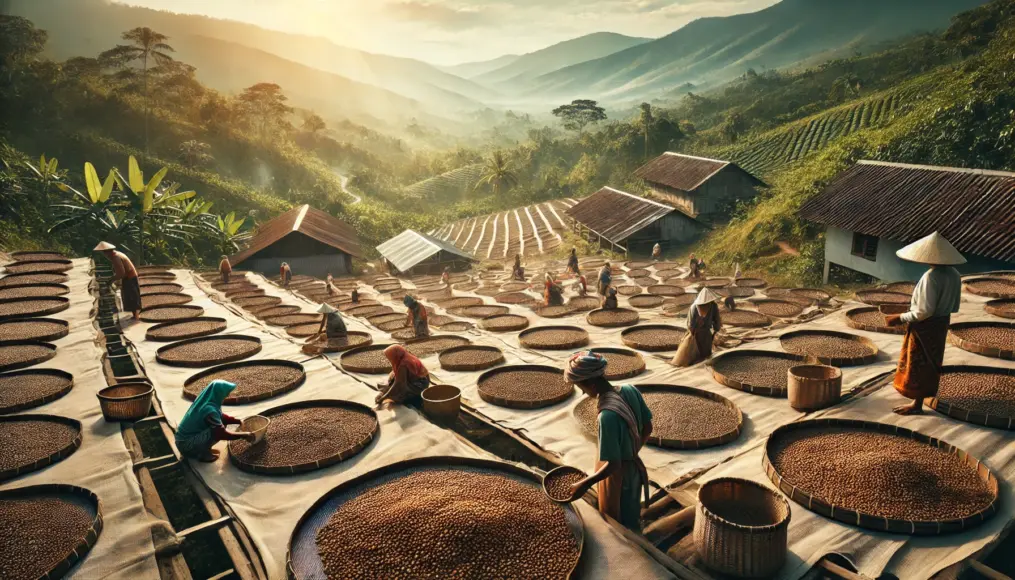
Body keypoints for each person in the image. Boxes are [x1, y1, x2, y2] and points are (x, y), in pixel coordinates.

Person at [563, 351, 652, 532]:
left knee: (617, 520)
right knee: (632, 509)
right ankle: (634, 529)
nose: (581, 391)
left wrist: (584, 483)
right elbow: (648, 428)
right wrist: (632, 451)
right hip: (633, 469)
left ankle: (632, 549)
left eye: (581, 386)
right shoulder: (629, 389)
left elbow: (613, 464)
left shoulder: (607, 416)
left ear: (592, 383)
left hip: (618, 478)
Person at [884, 232, 964, 415]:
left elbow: (924, 312)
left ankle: (917, 404)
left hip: (926, 325)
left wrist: (900, 317)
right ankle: (923, 396)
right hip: (941, 323)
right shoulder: (954, 274)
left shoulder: (932, 277)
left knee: (918, 364)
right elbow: (954, 305)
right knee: (932, 361)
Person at [175, 380, 256, 462]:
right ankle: (202, 454)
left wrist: (237, 421)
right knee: (215, 431)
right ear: (219, 393)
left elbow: (221, 417)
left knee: (219, 423)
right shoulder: (209, 410)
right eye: (225, 393)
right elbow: (221, 434)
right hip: (185, 445)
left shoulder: (207, 402)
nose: (227, 395)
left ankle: (204, 448)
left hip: (184, 439)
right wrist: (244, 435)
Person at [673, 288, 723, 367]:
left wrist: (716, 328)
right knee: (701, 354)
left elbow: (690, 325)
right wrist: (715, 329)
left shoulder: (709, 306)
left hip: (701, 333)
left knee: (699, 354)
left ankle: (700, 364)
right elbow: (716, 323)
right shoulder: (698, 307)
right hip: (701, 334)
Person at [94, 242, 142, 320]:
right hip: (129, 277)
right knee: (129, 297)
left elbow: (121, 273)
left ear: (107, 252)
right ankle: (135, 315)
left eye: (104, 252)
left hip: (130, 277)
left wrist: (111, 280)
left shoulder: (115, 257)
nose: (104, 254)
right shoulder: (117, 254)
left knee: (132, 297)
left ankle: (136, 316)